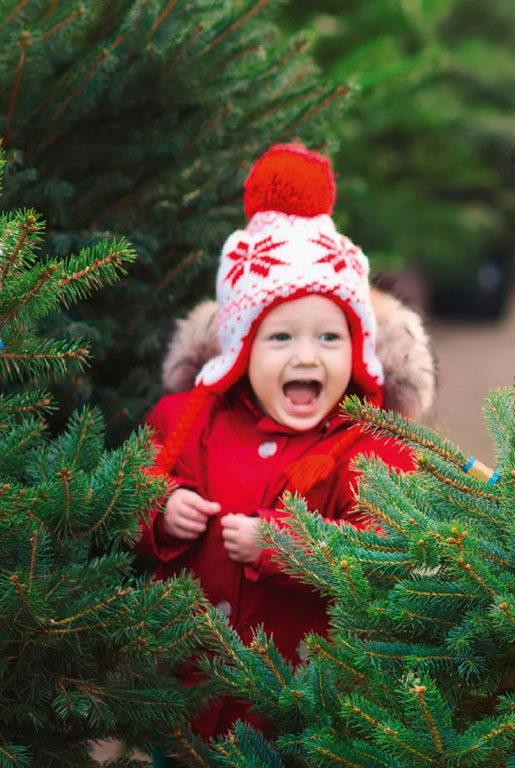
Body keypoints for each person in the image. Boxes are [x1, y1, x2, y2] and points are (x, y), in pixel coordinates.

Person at [135, 143, 436, 743]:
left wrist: (286, 545)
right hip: (186, 701)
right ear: (241, 350)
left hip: (303, 717)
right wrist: (161, 515)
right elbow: (122, 497)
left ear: (358, 351)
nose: (306, 355)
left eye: (330, 336)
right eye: (280, 338)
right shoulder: (186, 421)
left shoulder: (370, 443)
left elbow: (392, 552)